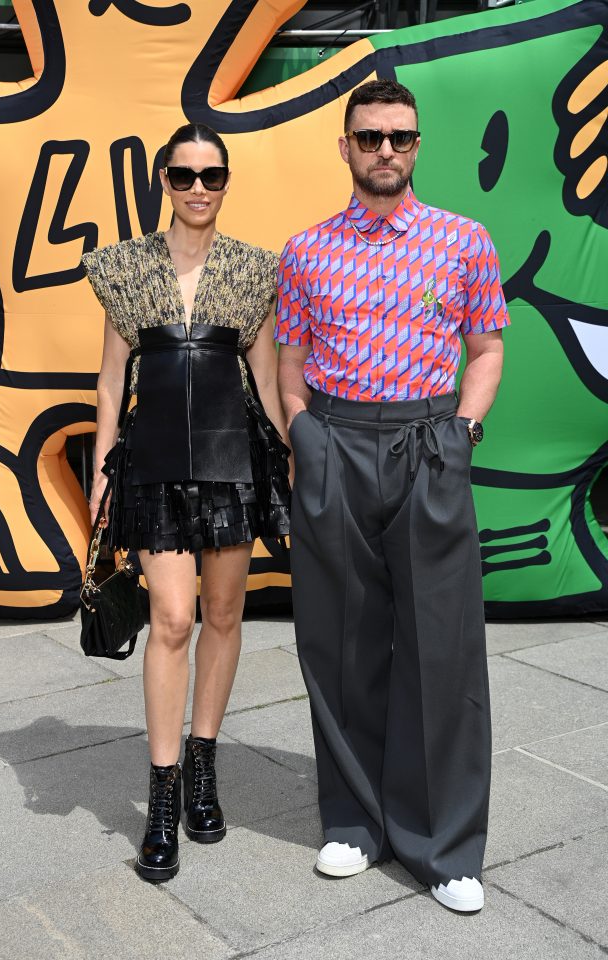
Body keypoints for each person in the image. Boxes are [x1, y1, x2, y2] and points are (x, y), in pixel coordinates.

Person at [276, 79, 509, 913]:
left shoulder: (463, 240)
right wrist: (304, 437)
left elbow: (486, 349)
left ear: (417, 145)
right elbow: (289, 363)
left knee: (443, 647)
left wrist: (463, 433)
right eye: (369, 136)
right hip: (335, 443)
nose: (385, 150)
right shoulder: (304, 252)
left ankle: (445, 844)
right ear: (344, 145)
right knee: (340, 641)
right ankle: (353, 822)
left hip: (429, 444)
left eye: (399, 137)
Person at [81, 122, 290, 883]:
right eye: (184, 175)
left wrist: (289, 466)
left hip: (234, 464)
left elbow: (266, 377)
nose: (198, 188)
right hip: (154, 464)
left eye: (212, 175)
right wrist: (101, 475)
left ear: (226, 181)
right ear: (163, 181)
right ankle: (163, 794)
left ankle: (204, 765)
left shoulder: (253, 269)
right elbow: (112, 379)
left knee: (224, 615)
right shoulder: (124, 268)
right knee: (172, 618)